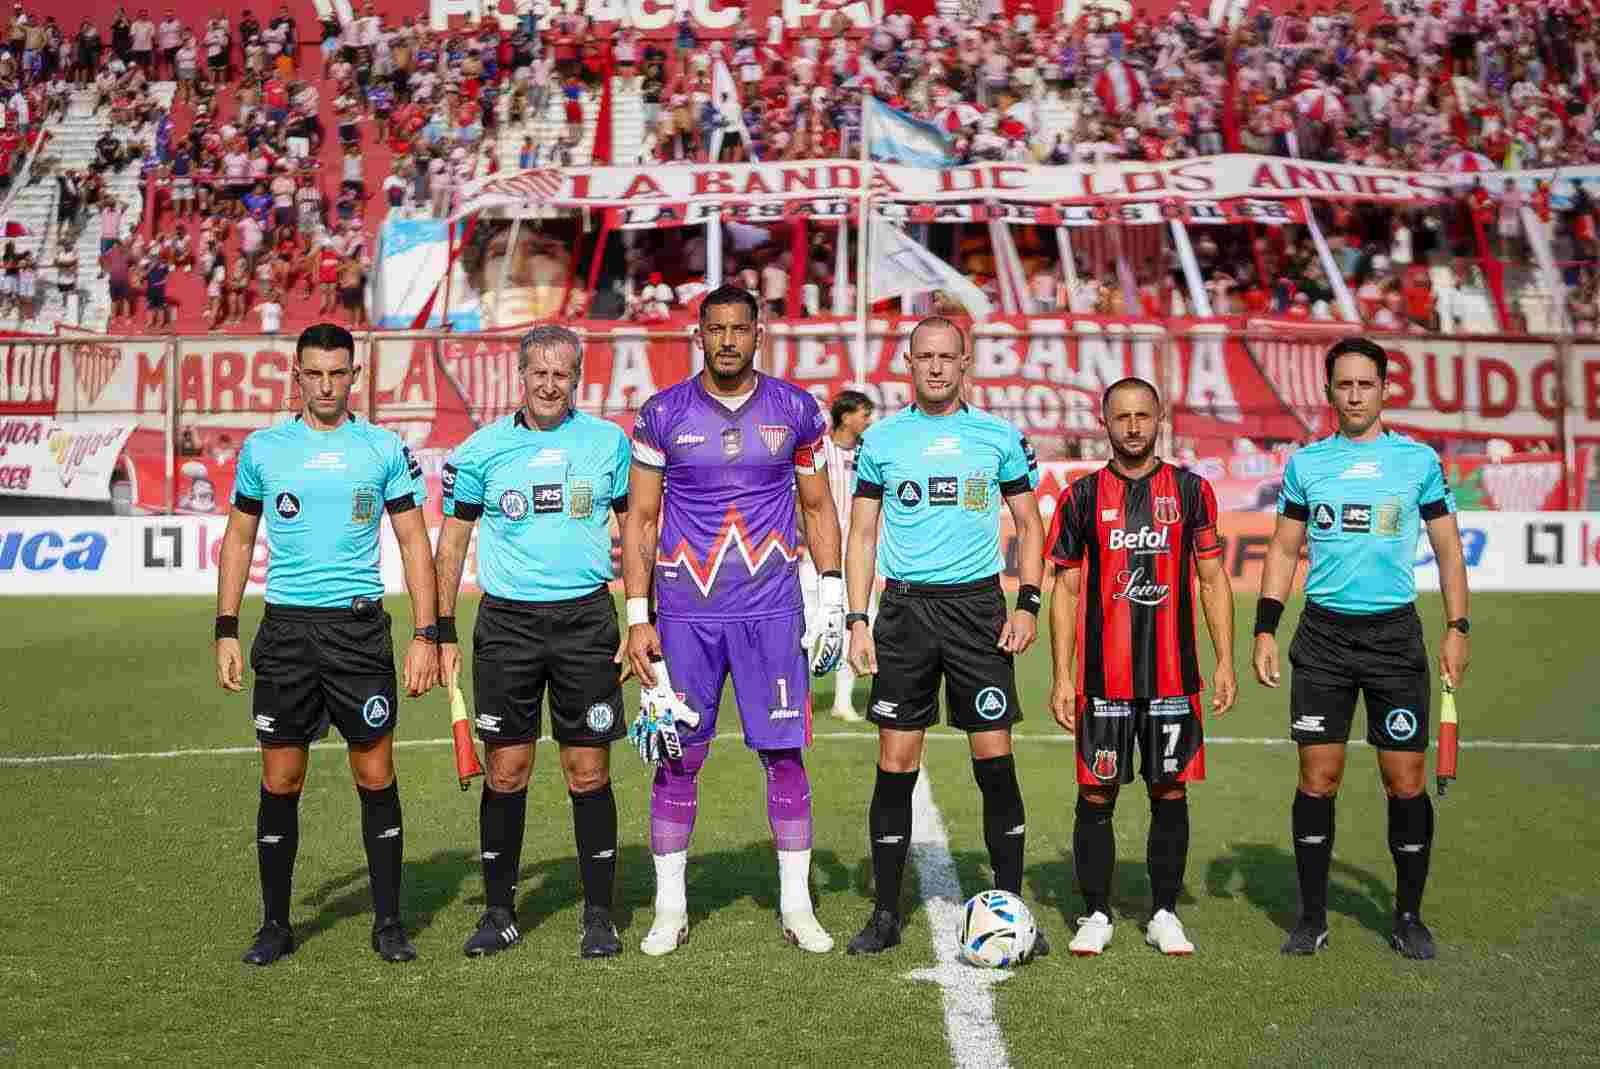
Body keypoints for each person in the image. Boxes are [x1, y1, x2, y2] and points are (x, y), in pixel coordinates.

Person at [621, 284, 846, 957]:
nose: (726, 340)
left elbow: (818, 507)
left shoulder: (796, 409)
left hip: (771, 610)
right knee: (678, 756)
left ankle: (797, 906)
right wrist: (637, 616)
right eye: (715, 329)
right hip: (685, 614)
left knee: (783, 754)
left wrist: (832, 595)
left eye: (738, 329)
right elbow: (641, 518)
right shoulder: (662, 413)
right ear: (699, 335)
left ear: (757, 334)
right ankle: (670, 910)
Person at [214, 322, 440, 967]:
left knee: (375, 774)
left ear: (355, 376)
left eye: (338, 373)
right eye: (314, 373)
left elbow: (413, 541)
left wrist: (426, 634)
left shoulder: (382, 448)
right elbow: (238, 539)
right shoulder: (264, 450)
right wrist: (226, 628)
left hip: (357, 633)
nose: (326, 385)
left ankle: (389, 923)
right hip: (286, 632)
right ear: (296, 374)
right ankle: (275, 925)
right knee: (281, 779)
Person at [1252, 337, 1470, 960]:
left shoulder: (1418, 462)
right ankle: (1312, 918)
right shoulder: (1307, 465)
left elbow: (1449, 549)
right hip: (1322, 637)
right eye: (1343, 385)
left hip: (1394, 639)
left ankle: (1408, 916)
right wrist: (1265, 628)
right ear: (1328, 391)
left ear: (1384, 389)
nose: (1354, 395)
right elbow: (1284, 550)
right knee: (1317, 778)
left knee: (1405, 781)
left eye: (1365, 384)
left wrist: (1458, 627)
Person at [842, 316, 1048, 957]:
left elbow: (1029, 524)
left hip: (978, 611)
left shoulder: (999, 437)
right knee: (896, 762)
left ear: (965, 364)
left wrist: (1027, 604)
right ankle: (885, 913)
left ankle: (1012, 907)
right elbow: (862, 534)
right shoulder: (881, 440)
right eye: (924, 357)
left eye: (946, 357)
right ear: (908, 364)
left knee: (994, 759)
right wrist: (857, 619)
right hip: (905, 613)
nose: (935, 367)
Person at [434, 326, 633, 960]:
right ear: (521, 375)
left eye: (562, 373)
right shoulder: (480, 451)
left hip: (586, 622)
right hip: (508, 626)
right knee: (507, 770)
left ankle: (599, 915)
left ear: (578, 377)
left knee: (588, 771)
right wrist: (440, 630)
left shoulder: (608, 443)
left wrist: (641, 616)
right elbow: (452, 542)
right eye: (539, 373)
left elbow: (637, 526)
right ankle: (499, 912)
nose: (550, 384)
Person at [1045, 378, 1237, 957]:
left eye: (1143, 416)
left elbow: (1211, 580)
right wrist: (1062, 676)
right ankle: (1096, 914)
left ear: (1160, 419)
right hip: (1103, 679)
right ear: (1104, 422)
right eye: (1122, 416)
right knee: (1096, 794)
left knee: (1169, 792)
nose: (1133, 426)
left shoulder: (1192, 490)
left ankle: (1164, 913)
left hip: (1173, 677)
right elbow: (1065, 591)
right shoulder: (1080, 497)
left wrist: (1225, 661)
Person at [805, 389, 875, 721]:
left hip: (857, 556)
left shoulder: (868, 453)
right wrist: (808, 537)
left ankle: (842, 702)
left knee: (857, 624)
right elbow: (800, 499)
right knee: (810, 626)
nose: (869, 421)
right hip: (818, 555)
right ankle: (800, 699)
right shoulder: (819, 450)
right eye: (864, 414)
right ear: (845, 417)